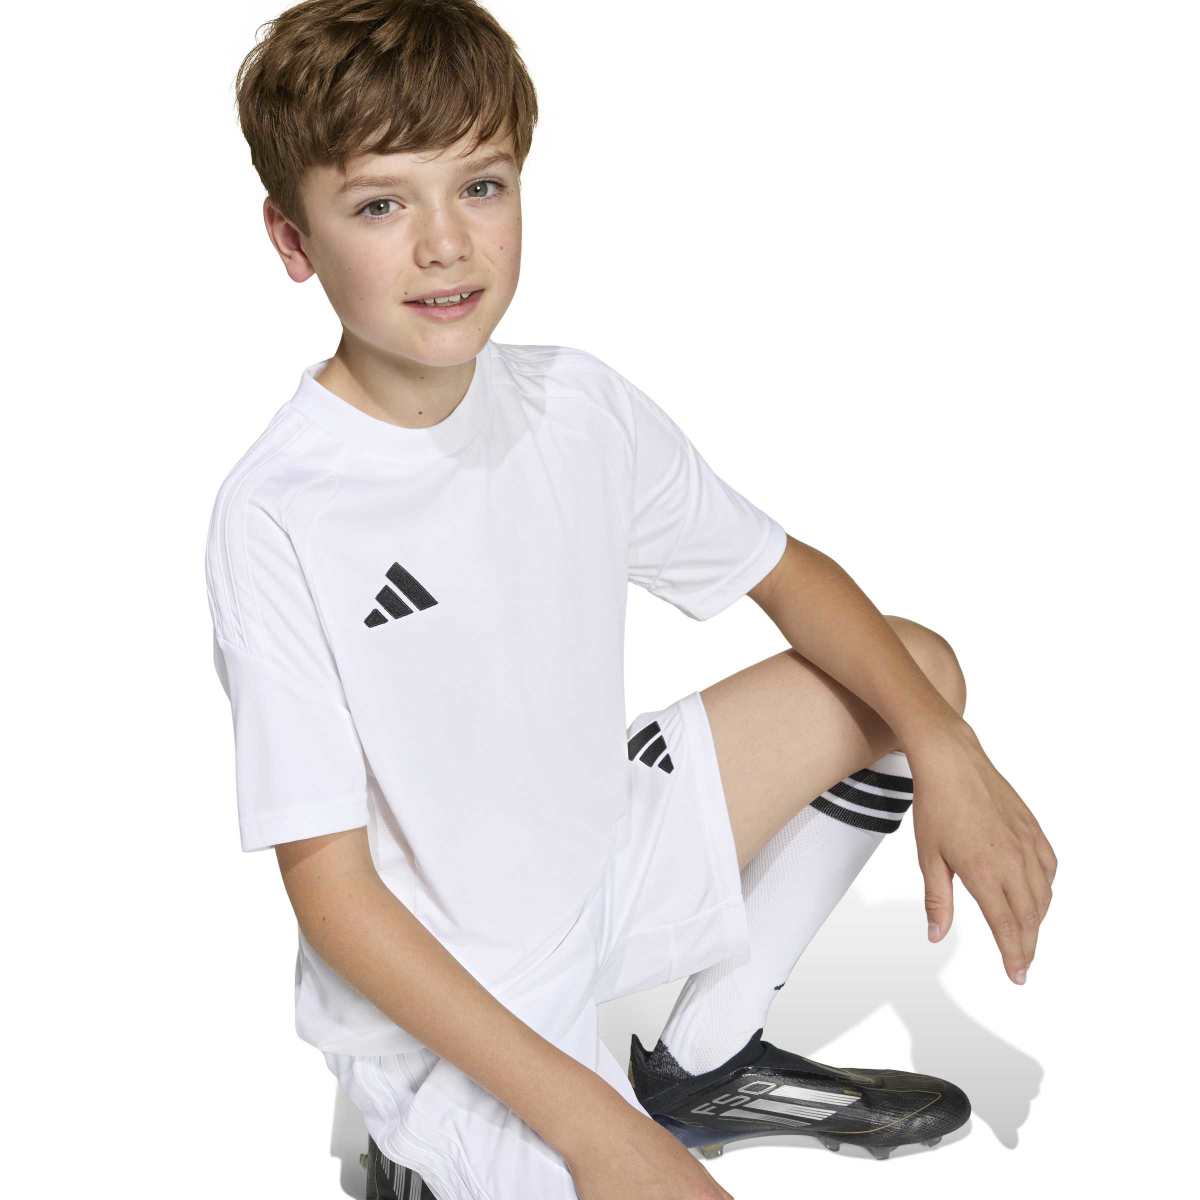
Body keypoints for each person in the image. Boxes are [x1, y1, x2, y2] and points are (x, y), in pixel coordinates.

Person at [204, 3, 1058, 1197]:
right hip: (455, 980)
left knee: (910, 670)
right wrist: (599, 1132)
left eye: (482, 187)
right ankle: (428, 1158)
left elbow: (788, 576)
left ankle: (704, 1066)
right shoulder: (282, 511)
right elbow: (335, 895)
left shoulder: (576, 406)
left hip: (599, 849)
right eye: (383, 205)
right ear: (293, 238)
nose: (446, 245)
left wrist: (944, 743)